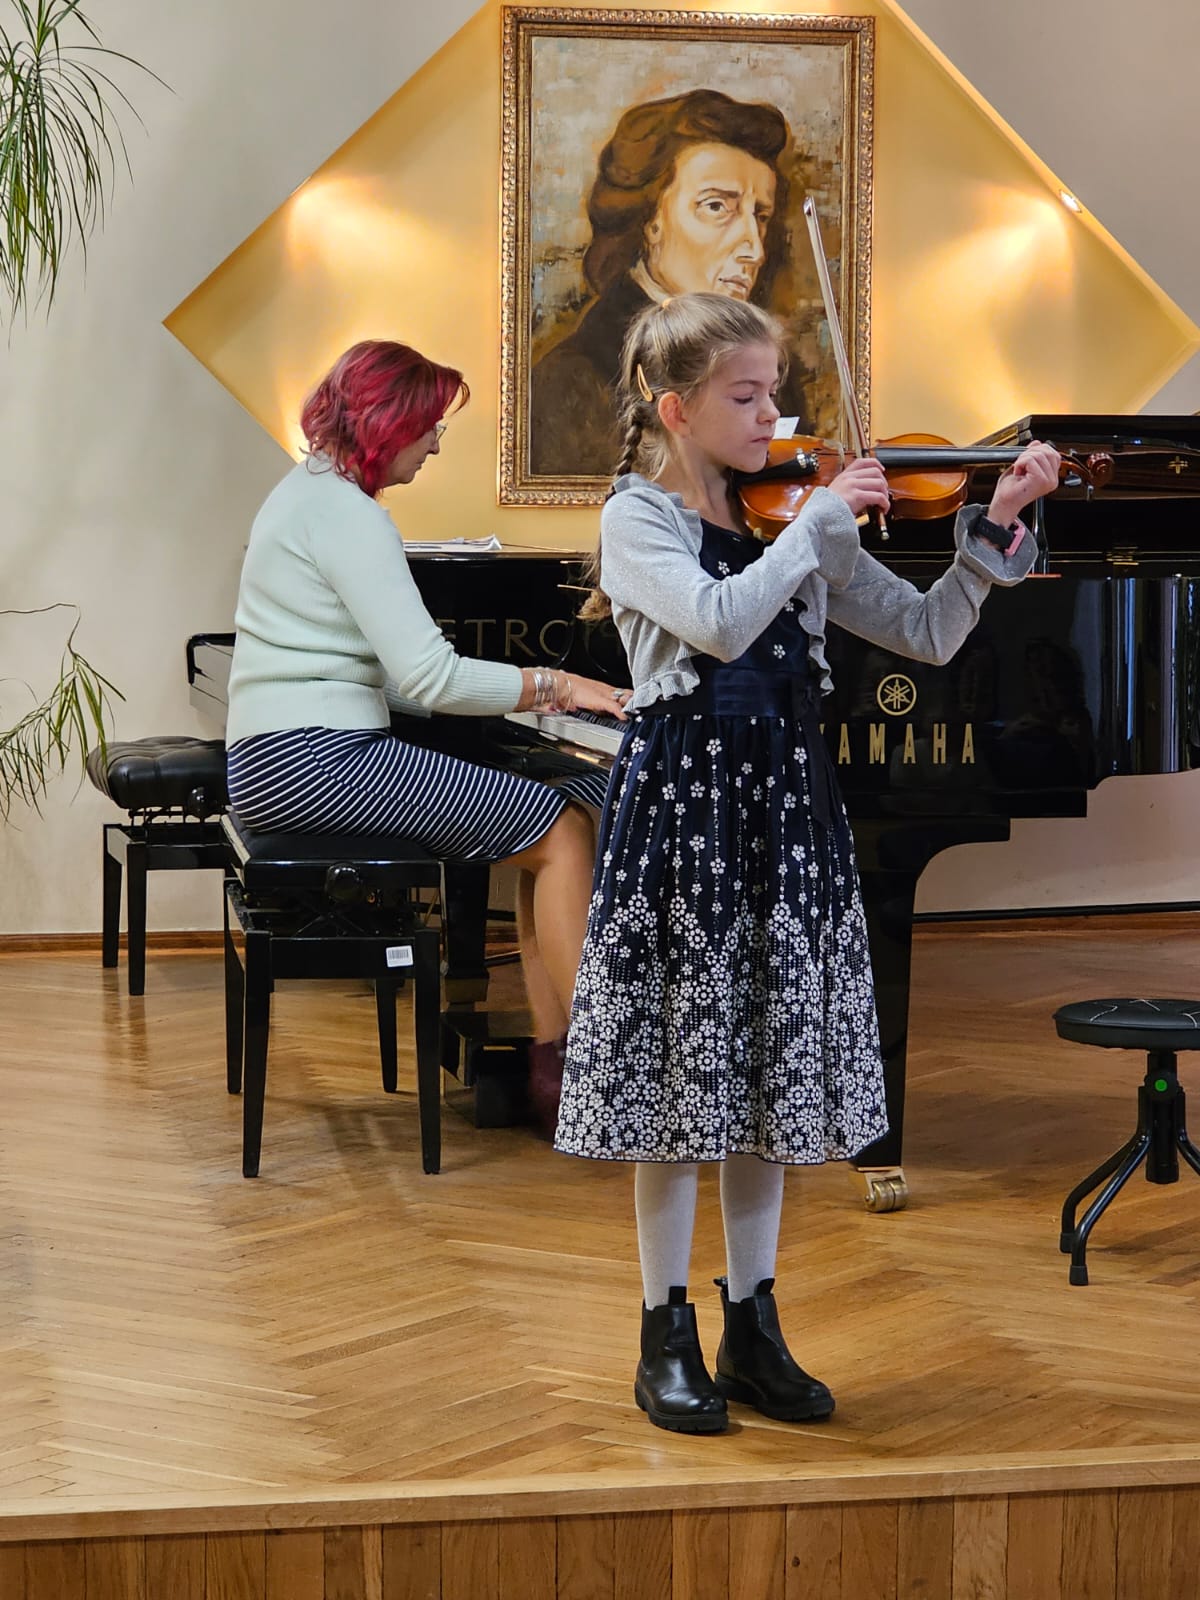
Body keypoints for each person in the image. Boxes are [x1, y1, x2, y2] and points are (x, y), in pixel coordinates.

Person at [553, 292, 1061, 1434]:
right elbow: (719, 621)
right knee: (682, 1083)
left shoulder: (793, 514)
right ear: (676, 409)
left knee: (767, 1069)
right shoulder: (637, 519)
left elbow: (927, 632)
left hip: (786, 811)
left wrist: (993, 526)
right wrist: (817, 528)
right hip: (686, 818)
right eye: (746, 396)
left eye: (773, 392)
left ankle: (755, 1328)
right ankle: (663, 1335)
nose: (771, 415)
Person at [224, 340, 629, 1100]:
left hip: (276, 759)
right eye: (432, 426)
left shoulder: (305, 493)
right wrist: (557, 685)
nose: (437, 444)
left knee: (540, 829)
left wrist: (519, 699)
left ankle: (555, 1069)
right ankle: (605, 1078)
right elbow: (430, 676)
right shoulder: (349, 516)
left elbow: (379, 676)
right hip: (315, 762)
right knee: (564, 832)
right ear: (389, 422)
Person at [530, 88, 812, 477]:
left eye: (760, 216)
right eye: (717, 206)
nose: (754, 250)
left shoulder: (772, 369)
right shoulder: (574, 375)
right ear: (650, 222)